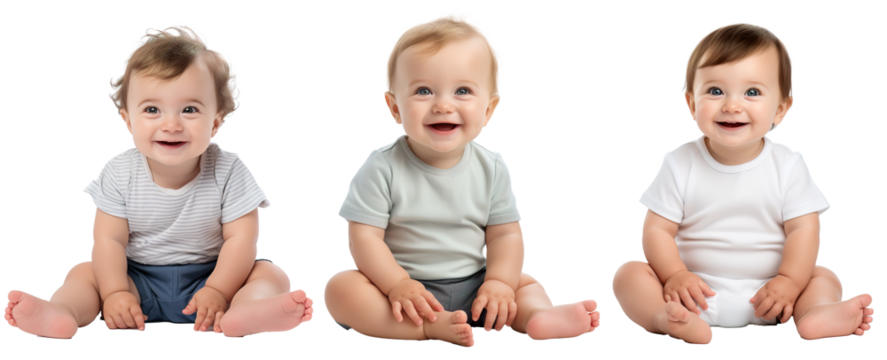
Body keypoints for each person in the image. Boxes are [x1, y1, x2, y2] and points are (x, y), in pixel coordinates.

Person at [4, 21, 314, 340]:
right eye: (152, 109)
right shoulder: (120, 171)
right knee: (84, 272)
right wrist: (115, 292)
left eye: (189, 109)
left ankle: (245, 311)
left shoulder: (230, 169)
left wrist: (219, 290)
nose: (171, 124)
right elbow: (109, 240)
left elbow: (241, 240)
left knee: (270, 273)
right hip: (135, 282)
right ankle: (63, 312)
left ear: (215, 122)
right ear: (128, 119)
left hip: (215, 279)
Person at [324, 8, 600, 349]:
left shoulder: (491, 166)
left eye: (463, 91)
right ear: (394, 107)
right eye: (424, 91)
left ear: (489, 109)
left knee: (524, 283)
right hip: (403, 293)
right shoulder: (382, 167)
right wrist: (397, 284)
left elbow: (505, 234)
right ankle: (427, 328)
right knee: (341, 288)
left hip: (476, 287)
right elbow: (364, 238)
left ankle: (537, 316)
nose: (443, 105)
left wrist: (499, 282)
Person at [611, 21, 874, 345]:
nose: (732, 105)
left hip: (773, 295)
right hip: (692, 294)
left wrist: (790, 281)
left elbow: (804, 229)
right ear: (691, 103)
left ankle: (813, 314)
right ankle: (665, 318)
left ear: (781, 108)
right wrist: (675, 274)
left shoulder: (787, 164)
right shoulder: (679, 161)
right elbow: (657, 229)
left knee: (822, 275)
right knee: (628, 273)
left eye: (752, 92)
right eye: (715, 91)